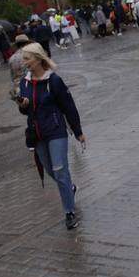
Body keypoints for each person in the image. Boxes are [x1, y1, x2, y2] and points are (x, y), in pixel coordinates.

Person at [16, 42, 84, 230]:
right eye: (24, 59)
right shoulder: (25, 82)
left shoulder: (53, 80)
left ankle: (69, 212)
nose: (25, 62)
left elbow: (68, 106)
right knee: (50, 170)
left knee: (60, 170)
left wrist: (78, 132)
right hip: (37, 133)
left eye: (27, 58)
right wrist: (23, 105)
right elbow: (25, 111)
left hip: (55, 131)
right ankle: (69, 189)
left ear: (38, 58)